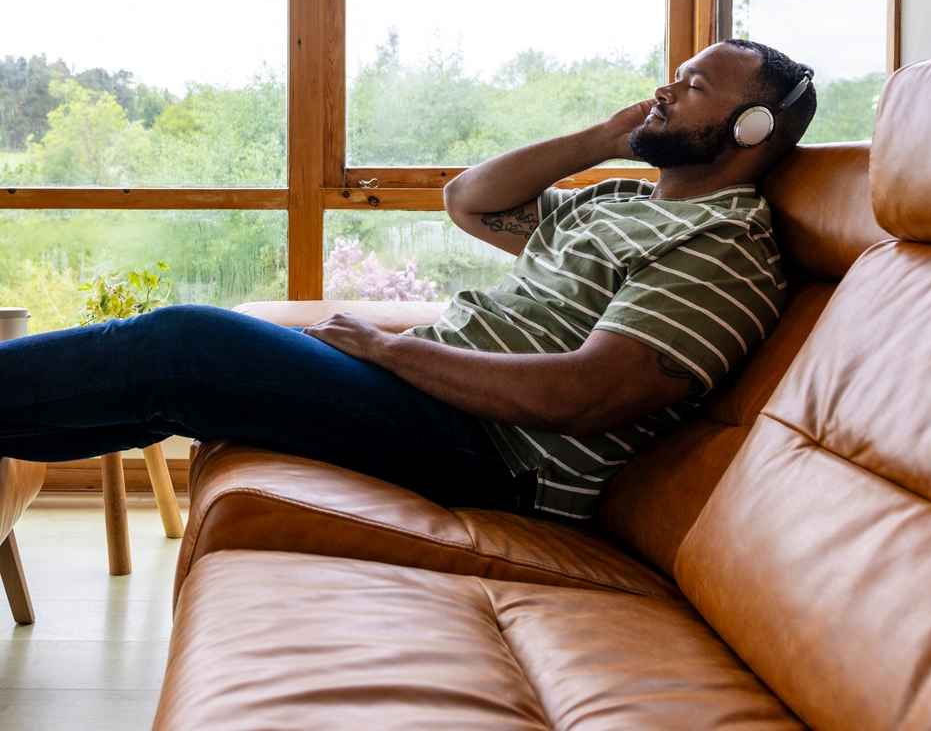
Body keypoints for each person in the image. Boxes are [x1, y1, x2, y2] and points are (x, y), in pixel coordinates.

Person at [0, 39, 816, 521]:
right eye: (672, 76)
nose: (665, 90)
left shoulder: (725, 242)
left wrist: (391, 353)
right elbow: (471, 200)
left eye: (696, 86)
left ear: (752, 128)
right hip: (446, 412)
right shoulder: (620, 202)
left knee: (184, 345)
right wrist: (605, 135)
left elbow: (586, 396)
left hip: (495, 457)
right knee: (176, 378)